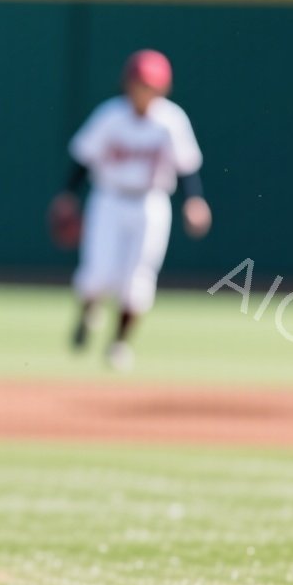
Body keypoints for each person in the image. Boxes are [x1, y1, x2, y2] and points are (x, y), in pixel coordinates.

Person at [54, 49, 208, 372]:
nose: (144, 91)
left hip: (151, 203)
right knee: (98, 274)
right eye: (139, 84)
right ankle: (88, 312)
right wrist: (68, 194)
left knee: (137, 280)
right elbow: (83, 158)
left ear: (163, 88)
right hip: (109, 199)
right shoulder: (110, 116)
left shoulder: (171, 120)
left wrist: (194, 200)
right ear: (128, 84)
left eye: (150, 86)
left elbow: (186, 167)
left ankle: (119, 343)